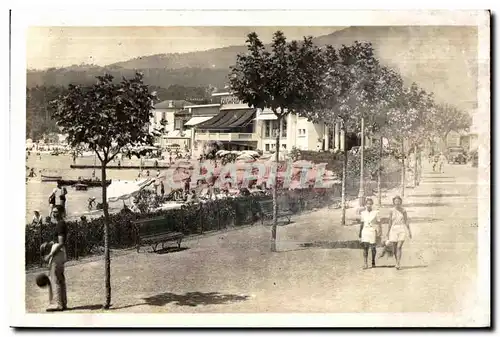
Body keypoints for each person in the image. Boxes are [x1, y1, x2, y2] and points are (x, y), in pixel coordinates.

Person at [43, 207, 68, 311]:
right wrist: (49, 244)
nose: (54, 214)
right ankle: (63, 303)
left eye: (56, 212)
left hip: (58, 254)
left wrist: (50, 255)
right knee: (60, 279)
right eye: (53, 212)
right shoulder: (61, 223)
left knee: (55, 279)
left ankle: (58, 304)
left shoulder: (60, 224)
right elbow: (58, 241)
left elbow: (61, 243)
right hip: (61, 253)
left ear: (62, 213)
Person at [386, 196, 412, 270]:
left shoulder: (403, 210)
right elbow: (390, 222)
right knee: (394, 248)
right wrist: (388, 232)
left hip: (401, 229)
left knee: (399, 247)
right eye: (396, 201)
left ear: (400, 202)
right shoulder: (391, 211)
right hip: (393, 229)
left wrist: (409, 231)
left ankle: (398, 263)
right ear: (393, 202)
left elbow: (406, 221)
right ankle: (396, 261)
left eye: (398, 201)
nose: (397, 202)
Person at [358, 198, 381, 269]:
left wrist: (379, 232)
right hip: (365, 231)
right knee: (365, 247)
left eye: (370, 204)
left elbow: (379, 223)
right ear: (365, 204)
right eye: (367, 204)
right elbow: (362, 223)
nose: (369, 205)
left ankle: (373, 261)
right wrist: (360, 234)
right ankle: (365, 263)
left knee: (373, 248)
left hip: (372, 231)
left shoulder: (376, 212)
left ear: (372, 204)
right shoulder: (362, 213)